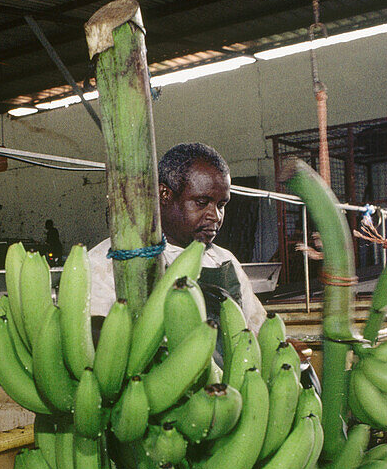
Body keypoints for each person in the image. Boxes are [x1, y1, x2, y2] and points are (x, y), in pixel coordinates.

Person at [88, 142, 267, 332]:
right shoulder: (108, 263)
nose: (215, 216)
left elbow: (259, 332)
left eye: (221, 205)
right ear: (164, 194)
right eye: (202, 202)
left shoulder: (224, 262)